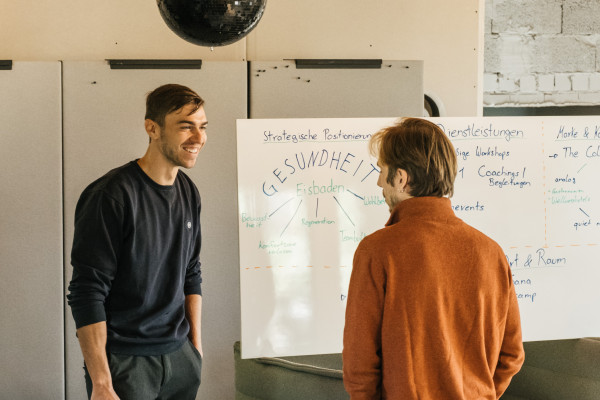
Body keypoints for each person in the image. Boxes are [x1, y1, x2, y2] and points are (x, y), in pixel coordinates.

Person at [343, 118, 524, 399]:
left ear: (401, 178)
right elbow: (511, 355)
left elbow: (360, 364)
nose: (379, 181)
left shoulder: (377, 251)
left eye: (381, 170)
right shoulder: (492, 252)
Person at [67, 83, 208, 400]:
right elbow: (87, 291)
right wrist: (101, 383)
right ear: (152, 128)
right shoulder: (111, 195)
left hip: (180, 358)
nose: (198, 138)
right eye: (186, 127)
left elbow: (191, 272)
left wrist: (195, 349)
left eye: (202, 127)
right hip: (127, 363)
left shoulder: (188, 191)